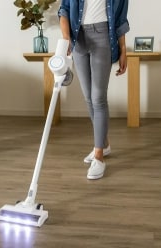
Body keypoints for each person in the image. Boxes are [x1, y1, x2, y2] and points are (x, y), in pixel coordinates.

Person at [58, 0, 130, 180]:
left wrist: (123, 50)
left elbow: (120, 19)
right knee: (88, 97)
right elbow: (64, 10)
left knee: (98, 97)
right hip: (77, 38)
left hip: (103, 36)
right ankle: (104, 144)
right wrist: (66, 39)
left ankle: (99, 156)